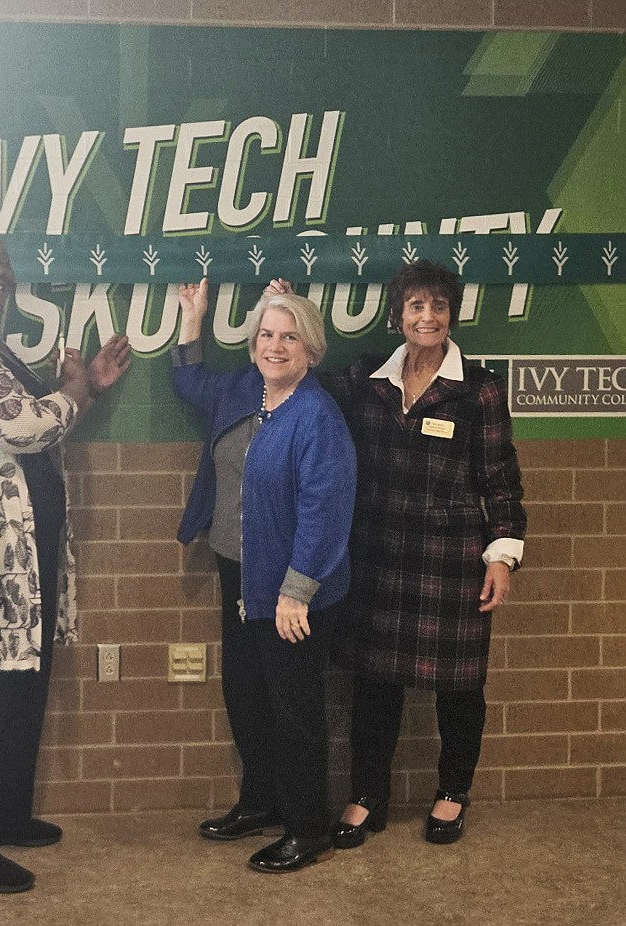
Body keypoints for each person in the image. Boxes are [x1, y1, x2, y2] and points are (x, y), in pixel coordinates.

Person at [0, 220, 130, 893]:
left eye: (3, 261)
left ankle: (4, 812)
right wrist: (74, 393)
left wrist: (83, 385)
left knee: (20, 680)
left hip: (22, 553)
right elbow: (26, 423)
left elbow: (42, 410)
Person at [315, 260, 526, 847]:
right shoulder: (368, 380)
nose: (427, 316)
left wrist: (501, 557)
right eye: (416, 306)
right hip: (378, 554)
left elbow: (500, 481)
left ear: (450, 314)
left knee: (460, 689)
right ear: (398, 315)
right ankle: (366, 797)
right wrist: (284, 307)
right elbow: (299, 374)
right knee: (373, 686)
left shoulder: (479, 388)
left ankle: (453, 793)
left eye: (437, 305)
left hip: (451, 560)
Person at [172, 279, 357, 873]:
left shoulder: (317, 416)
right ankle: (262, 802)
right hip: (238, 574)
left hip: (290, 591)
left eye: (289, 337)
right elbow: (188, 382)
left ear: (311, 349)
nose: (275, 346)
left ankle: (308, 827)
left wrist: (297, 592)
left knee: (294, 707)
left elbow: (325, 512)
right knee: (246, 693)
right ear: (252, 343)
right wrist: (193, 320)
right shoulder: (245, 391)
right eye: (266, 335)